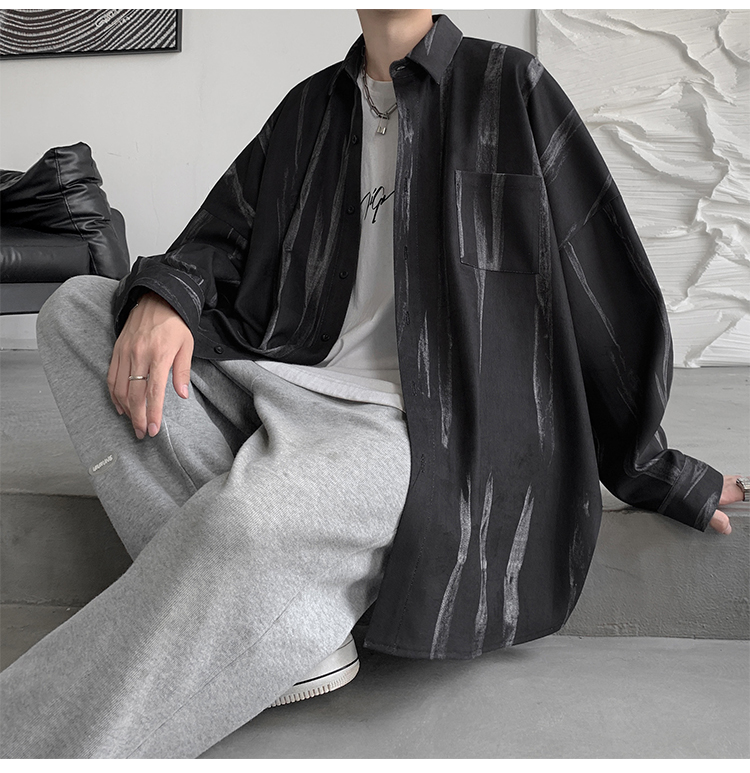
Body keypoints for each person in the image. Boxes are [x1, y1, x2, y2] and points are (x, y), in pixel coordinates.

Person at [1, 9, 745, 760]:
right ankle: (287, 619)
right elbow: (219, 236)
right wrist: (166, 297)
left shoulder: (509, 86)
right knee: (77, 311)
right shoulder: (310, 107)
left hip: (424, 422)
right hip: (283, 376)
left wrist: (654, 468)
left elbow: (604, 282)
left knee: (246, 522)